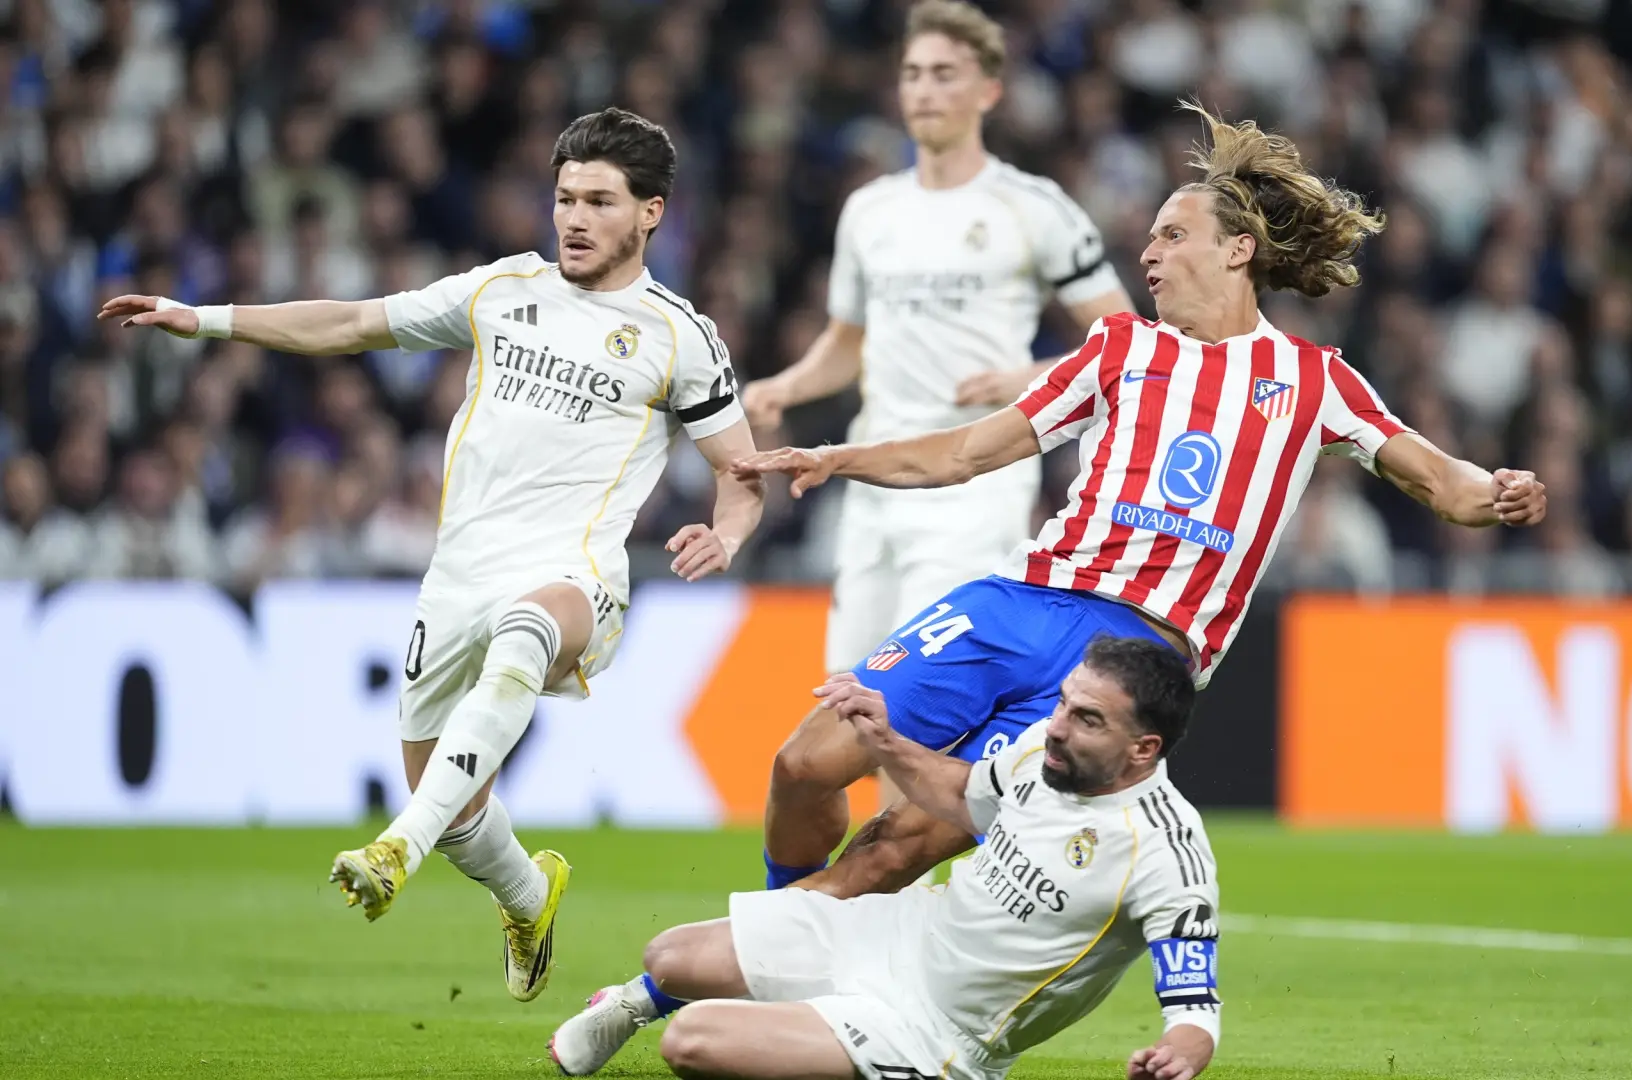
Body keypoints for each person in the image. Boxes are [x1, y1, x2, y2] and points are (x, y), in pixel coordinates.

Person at [733, 102, 1549, 897]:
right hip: (1021, 602)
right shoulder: (1118, 349)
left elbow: (1444, 483)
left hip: (1132, 660)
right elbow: (963, 451)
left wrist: (1500, 492)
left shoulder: (1314, 379)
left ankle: (737, 975)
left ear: (1238, 249)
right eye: (1151, 235)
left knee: (896, 848)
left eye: (1171, 234)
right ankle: (772, 931)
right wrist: (837, 456)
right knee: (802, 764)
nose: (1147, 252)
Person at [99, 107, 763, 1003]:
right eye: (564, 197)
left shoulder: (678, 334)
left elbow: (743, 472)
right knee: (457, 804)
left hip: (577, 573)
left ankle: (393, 848)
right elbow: (350, 322)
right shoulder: (500, 289)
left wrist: (725, 534)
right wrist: (204, 318)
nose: (573, 217)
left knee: (531, 628)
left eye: (599, 202)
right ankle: (528, 893)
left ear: (651, 213)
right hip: (458, 578)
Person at [741, 0, 1135, 886]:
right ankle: (797, 919)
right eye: (913, 73)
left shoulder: (1033, 208)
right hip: (874, 488)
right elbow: (847, 340)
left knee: (909, 724)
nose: (925, 89)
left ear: (988, 88)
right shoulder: (870, 210)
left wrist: (1035, 375)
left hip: (972, 486)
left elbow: (1125, 340)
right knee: (840, 714)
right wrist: (786, 386)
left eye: (945, 72)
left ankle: (880, 917)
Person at [547, 635, 1222, 1080]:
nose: (1058, 726)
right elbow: (960, 793)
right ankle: (631, 1004)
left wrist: (1176, 1057)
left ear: (1144, 749)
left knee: (691, 1041)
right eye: (1065, 704)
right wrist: (884, 738)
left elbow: (1195, 1010)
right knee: (669, 957)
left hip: (939, 1030)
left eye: (1088, 720)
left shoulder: (1167, 853)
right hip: (899, 936)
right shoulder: (1037, 755)